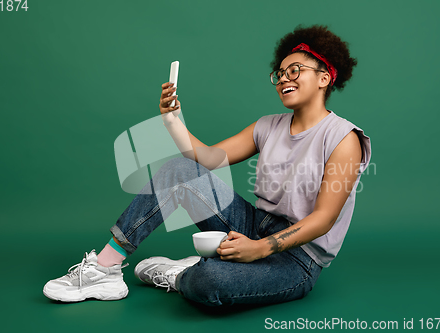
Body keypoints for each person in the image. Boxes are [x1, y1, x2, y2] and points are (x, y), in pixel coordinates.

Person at [43, 24, 371, 306]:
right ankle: (105, 269)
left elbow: (324, 219)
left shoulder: (344, 139)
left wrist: (260, 249)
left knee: (210, 281)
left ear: (324, 77)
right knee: (179, 172)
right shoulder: (268, 125)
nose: (284, 78)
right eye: (280, 73)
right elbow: (207, 159)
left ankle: (183, 274)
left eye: (295, 70)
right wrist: (172, 120)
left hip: (298, 260)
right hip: (254, 224)